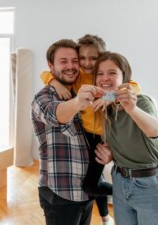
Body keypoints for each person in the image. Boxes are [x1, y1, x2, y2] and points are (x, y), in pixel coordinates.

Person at [40, 34, 141, 225]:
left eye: (93, 58)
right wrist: (54, 82)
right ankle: (105, 216)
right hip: (86, 134)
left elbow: (134, 87)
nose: (87, 63)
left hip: (103, 136)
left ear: (102, 57)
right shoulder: (77, 78)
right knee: (93, 179)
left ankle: (128, 192)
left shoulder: (104, 77)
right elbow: (45, 74)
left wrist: (109, 97)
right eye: (83, 58)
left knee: (91, 184)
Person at [31, 39, 112, 225]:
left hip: (86, 193)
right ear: (51, 66)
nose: (71, 66)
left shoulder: (81, 90)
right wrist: (77, 103)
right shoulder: (43, 97)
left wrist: (109, 154)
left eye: (74, 61)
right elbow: (54, 114)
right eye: (63, 61)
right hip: (60, 194)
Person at [92, 51, 158, 225]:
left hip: (149, 186)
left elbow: (154, 131)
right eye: (100, 73)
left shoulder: (141, 102)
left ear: (124, 77)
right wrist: (112, 155)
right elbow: (124, 142)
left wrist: (131, 109)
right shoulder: (106, 110)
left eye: (112, 73)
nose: (105, 78)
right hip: (120, 183)